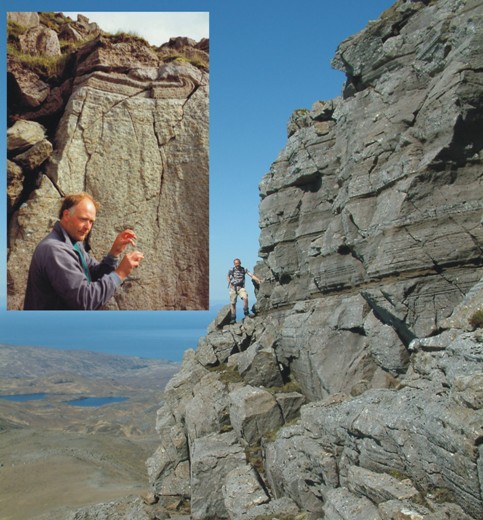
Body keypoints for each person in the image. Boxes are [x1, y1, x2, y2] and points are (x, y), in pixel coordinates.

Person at [24, 192, 144, 310]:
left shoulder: (73, 243)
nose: (88, 227)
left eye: (91, 221)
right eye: (83, 219)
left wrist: (114, 254)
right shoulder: (55, 250)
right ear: (66, 215)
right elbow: (85, 300)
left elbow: (94, 274)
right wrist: (120, 273)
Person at [227, 258, 262, 324]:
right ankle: (233, 318)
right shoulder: (231, 269)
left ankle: (246, 312)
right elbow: (228, 275)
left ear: (240, 263)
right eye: (236, 264)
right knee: (233, 303)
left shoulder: (243, 269)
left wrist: (258, 280)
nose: (237, 265)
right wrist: (230, 283)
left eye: (238, 263)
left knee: (245, 298)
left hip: (241, 288)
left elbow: (251, 275)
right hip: (233, 288)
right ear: (234, 264)